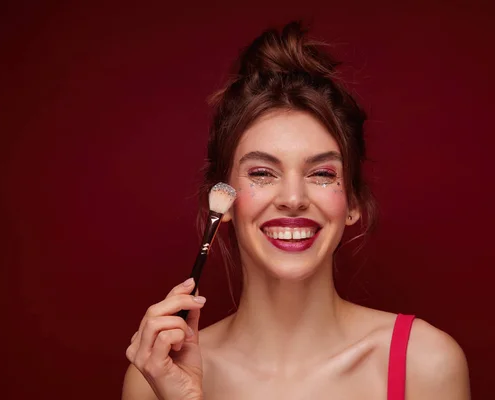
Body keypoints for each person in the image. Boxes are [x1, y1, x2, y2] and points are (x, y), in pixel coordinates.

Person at [122, 21, 470, 400]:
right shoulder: (154, 377)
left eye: (321, 173)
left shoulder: (426, 364)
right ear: (222, 202)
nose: (292, 197)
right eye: (262, 173)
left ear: (352, 203)